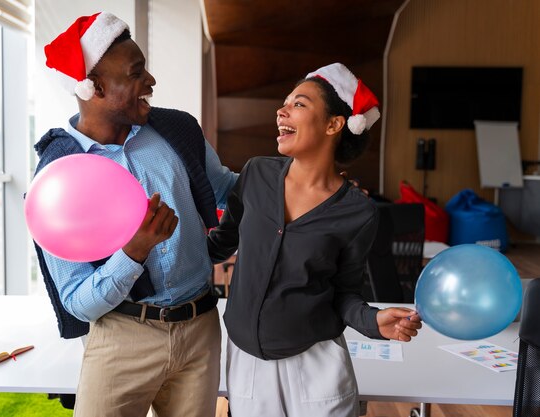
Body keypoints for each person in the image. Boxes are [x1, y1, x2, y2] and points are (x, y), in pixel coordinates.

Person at [34, 12, 237, 417]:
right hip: (122, 337)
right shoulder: (58, 177)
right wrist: (134, 252)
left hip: (200, 329)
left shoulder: (179, 131)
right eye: (136, 73)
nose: (151, 81)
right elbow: (77, 301)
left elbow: (230, 189)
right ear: (94, 87)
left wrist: (301, 184)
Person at [207, 63, 423, 417]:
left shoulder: (359, 212)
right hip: (246, 364)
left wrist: (373, 322)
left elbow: (344, 293)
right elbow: (219, 243)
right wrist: (157, 249)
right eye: (285, 102)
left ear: (334, 124)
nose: (282, 110)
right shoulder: (256, 173)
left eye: (299, 104)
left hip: (315, 366)